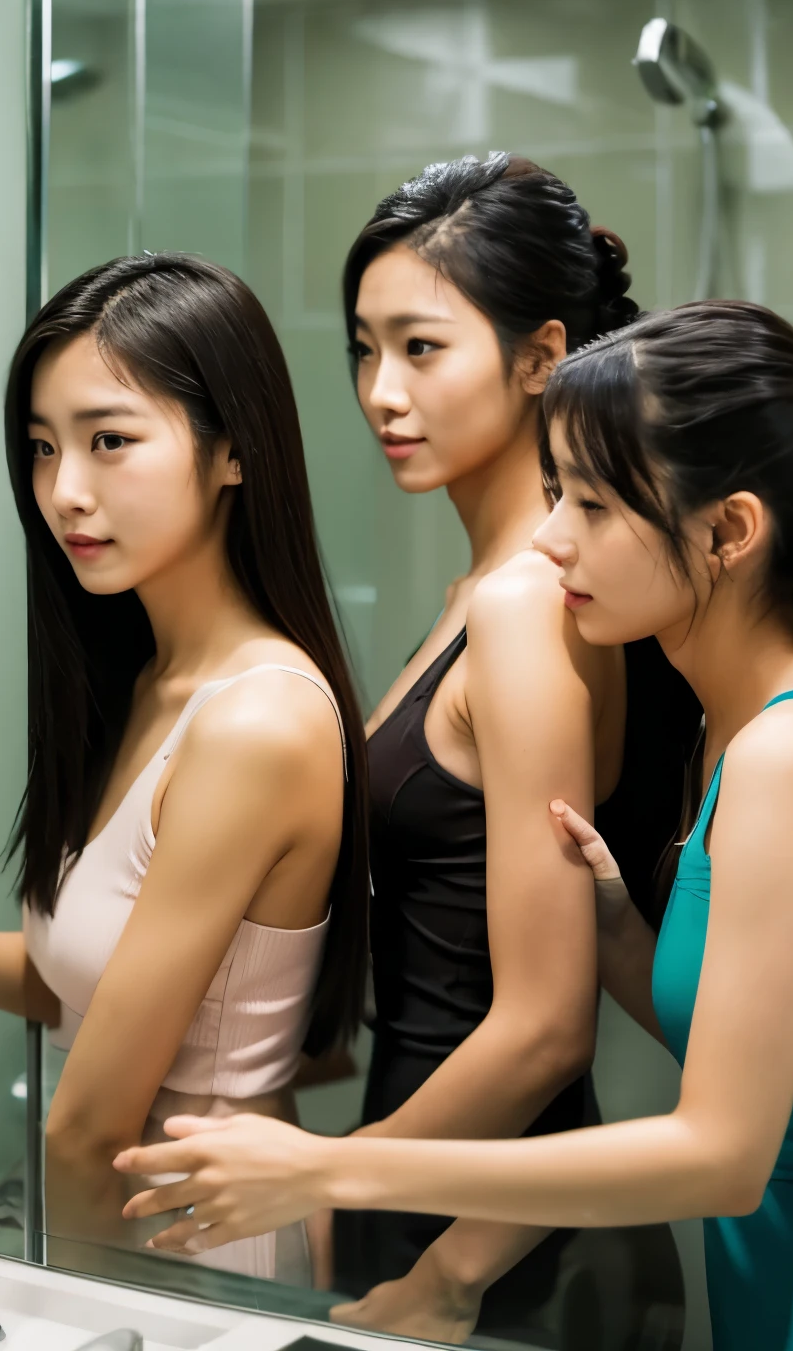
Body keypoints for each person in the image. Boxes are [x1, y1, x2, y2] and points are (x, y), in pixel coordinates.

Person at [115, 302, 793, 1350]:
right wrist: (625, 946)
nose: (549, 536)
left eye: (595, 505)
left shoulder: (790, 756)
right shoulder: (749, 729)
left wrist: (333, 1165)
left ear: (731, 532)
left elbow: (719, 1153)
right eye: (555, 489)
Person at [0, 253, 369, 1284]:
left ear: (233, 452)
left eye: (109, 441)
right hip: (137, 1226)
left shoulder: (256, 719)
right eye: (41, 448)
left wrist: (56, 1306)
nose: (62, 491)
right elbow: (83, 987)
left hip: (194, 1244)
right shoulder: (155, 683)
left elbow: (86, 1130)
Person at [320, 155, 698, 1340]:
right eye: (363, 350)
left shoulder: (532, 601)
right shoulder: (493, 588)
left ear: (540, 356)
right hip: (439, 1170)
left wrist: (338, 1179)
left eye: (421, 348)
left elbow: (542, 1023)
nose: (382, 391)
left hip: (469, 1218)